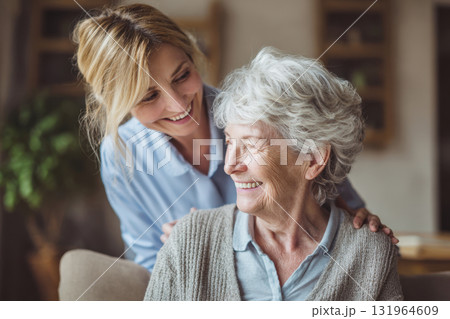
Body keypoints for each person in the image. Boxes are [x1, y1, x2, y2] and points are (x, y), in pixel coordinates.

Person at [73, 3, 396, 273]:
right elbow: (147, 263)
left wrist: (358, 222)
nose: (177, 104)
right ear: (118, 104)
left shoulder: (257, 116)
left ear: (193, 56)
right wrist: (181, 254)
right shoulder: (121, 156)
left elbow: (338, 198)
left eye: (182, 75)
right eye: (149, 96)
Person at [144, 48, 403, 301]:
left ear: (313, 158)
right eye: (230, 142)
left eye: (251, 145)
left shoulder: (371, 253)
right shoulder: (188, 240)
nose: (230, 165)